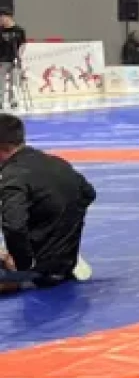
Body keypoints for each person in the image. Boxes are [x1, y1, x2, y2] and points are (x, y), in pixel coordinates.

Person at [0, 114, 96, 294]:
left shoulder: (13, 175)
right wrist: (63, 232)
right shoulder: (56, 162)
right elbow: (88, 193)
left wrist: (22, 263)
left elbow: (14, 226)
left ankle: (27, 270)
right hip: (66, 258)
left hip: (41, 271)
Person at [0, 9, 25, 111]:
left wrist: (18, 56)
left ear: (8, 17)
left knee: (14, 81)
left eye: (2, 18)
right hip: (2, 60)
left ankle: (13, 100)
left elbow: (22, 45)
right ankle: (0, 101)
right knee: (0, 81)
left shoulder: (19, 30)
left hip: (15, 60)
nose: (1, 20)